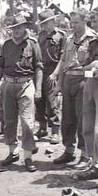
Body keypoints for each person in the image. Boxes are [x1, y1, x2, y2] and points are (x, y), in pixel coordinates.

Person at [0, 13, 43, 172]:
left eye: (19, 27)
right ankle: (12, 152)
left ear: (25, 28)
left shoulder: (33, 44)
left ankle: (28, 157)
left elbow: (39, 67)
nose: (16, 31)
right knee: (9, 120)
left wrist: (39, 88)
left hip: (26, 85)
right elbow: (0, 66)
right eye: (13, 28)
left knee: (28, 121)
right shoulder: (6, 45)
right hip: (7, 84)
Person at [49, 8, 97, 168]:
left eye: (76, 22)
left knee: (84, 119)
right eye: (72, 22)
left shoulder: (93, 39)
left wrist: (86, 79)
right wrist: (59, 85)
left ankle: (85, 154)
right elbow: (63, 62)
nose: (73, 25)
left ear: (85, 21)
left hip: (84, 81)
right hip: (68, 80)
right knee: (67, 118)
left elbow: (95, 66)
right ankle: (69, 151)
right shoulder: (69, 39)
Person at [35, 9, 67, 144]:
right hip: (40, 71)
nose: (44, 26)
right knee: (39, 100)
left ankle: (55, 131)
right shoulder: (40, 35)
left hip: (53, 71)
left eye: (46, 23)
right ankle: (42, 128)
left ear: (53, 21)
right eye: (42, 23)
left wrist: (55, 73)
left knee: (52, 102)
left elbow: (63, 57)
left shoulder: (61, 35)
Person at [74, 9, 98, 180]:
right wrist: (85, 64)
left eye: (96, 19)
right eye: (92, 19)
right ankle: (94, 164)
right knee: (87, 127)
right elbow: (86, 69)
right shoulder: (93, 43)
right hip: (91, 85)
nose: (93, 22)